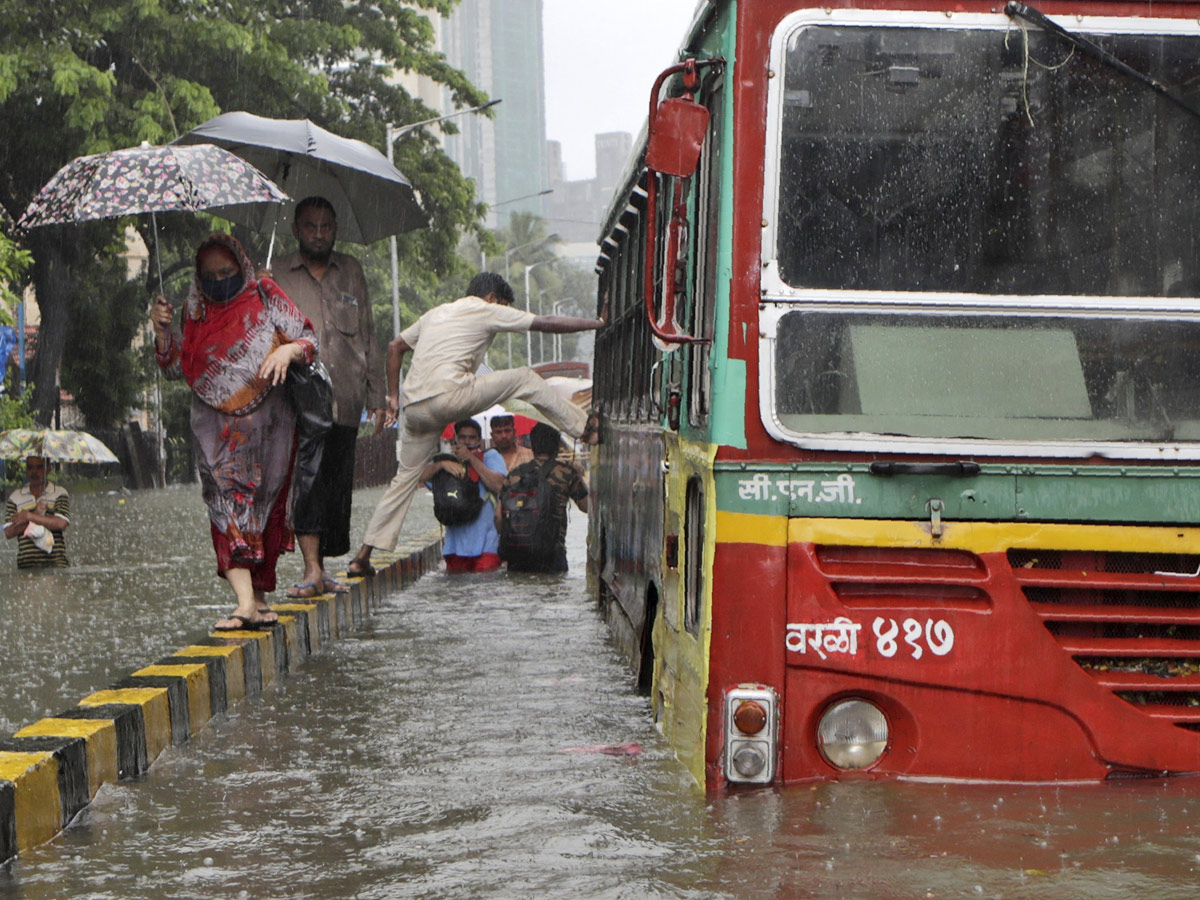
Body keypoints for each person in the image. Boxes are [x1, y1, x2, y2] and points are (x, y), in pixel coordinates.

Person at [345, 272, 603, 577]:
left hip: (414, 408)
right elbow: (545, 323)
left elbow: (394, 347)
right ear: (493, 298)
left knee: (402, 482)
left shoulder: (435, 313)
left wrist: (392, 396)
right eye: (503, 307)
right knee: (523, 378)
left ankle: (362, 556)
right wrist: (597, 323)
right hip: (449, 396)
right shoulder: (485, 308)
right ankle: (585, 428)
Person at [152, 233, 318, 631]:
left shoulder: (265, 294)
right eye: (209, 275)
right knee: (226, 504)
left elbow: (309, 339)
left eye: (226, 272)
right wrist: (161, 332)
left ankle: (257, 601)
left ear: (241, 267)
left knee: (263, 510)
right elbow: (178, 367)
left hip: (271, 431)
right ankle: (244, 602)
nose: (219, 281)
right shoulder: (195, 311)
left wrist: (286, 350)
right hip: (216, 436)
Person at [272, 196, 386, 599]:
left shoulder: (351, 271)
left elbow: (369, 334)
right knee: (307, 483)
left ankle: (325, 568)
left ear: (335, 230)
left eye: (326, 227)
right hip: (298, 402)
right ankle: (311, 567)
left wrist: (380, 393)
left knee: (337, 485)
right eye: (310, 226)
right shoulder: (276, 275)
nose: (319, 234)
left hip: (348, 397)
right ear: (296, 230)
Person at [498, 423, 588, 574]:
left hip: (518, 555)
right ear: (557, 446)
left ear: (532, 445)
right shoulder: (566, 473)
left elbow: (498, 517)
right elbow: (587, 507)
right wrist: (579, 477)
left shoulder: (515, 474)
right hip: (552, 555)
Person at [427, 418, 506, 573]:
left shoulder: (490, 457)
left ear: (480, 440)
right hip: (454, 546)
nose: (467, 441)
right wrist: (441, 465)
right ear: (455, 439)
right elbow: (419, 476)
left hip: (486, 546)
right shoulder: (446, 461)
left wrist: (471, 458)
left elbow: (498, 485)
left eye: (472, 437)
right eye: (463, 437)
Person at [4, 456, 70, 568]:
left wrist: (29, 516)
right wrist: (37, 514)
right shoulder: (15, 497)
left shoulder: (59, 493)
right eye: (30, 468)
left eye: (39, 467)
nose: (34, 472)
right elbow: (9, 532)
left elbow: (61, 524)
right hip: (26, 566)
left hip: (56, 565)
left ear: (48, 469)